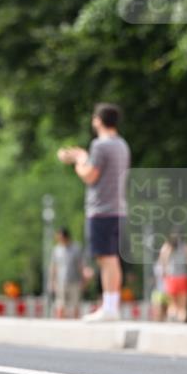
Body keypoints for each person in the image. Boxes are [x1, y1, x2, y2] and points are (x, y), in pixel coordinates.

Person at [57, 102, 131, 321]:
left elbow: (90, 175)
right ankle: (112, 304)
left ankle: (109, 307)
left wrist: (79, 160)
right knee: (112, 259)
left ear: (98, 120)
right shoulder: (121, 145)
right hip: (118, 209)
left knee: (105, 259)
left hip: (101, 210)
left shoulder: (100, 145)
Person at [157, 230, 187, 322]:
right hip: (183, 278)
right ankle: (182, 324)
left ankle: (172, 323)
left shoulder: (166, 247)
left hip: (171, 279)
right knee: (183, 307)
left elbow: (161, 264)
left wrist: (164, 275)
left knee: (172, 305)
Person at [48, 227, 84, 318]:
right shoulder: (56, 250)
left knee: (75, 304)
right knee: (60, 304)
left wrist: (83, 280)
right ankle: (60, 324)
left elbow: (80, 265)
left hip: (74, 281)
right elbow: (53, 266)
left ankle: (76, 325)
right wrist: (52, 281)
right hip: (60, 281)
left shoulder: (76, 248)